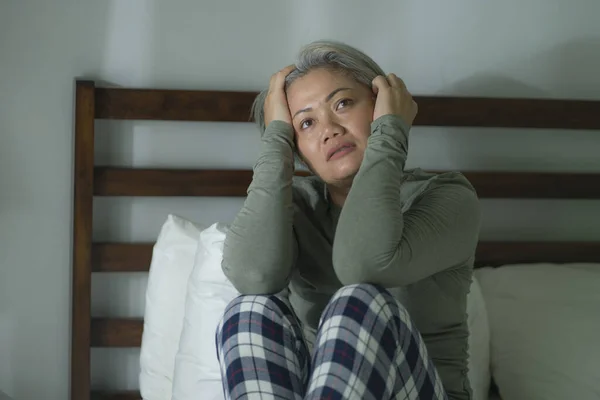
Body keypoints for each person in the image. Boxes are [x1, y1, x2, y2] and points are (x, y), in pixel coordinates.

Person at [216, 40, 481, 400]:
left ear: (380, 106)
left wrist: (390, 134)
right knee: (249, 310)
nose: (328, 129)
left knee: (359, 302)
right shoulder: (295, 209)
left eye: (343, 104)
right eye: (305, 123)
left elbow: (363, 265)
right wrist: (275, 142)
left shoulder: (447, 197)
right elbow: (252, 276)